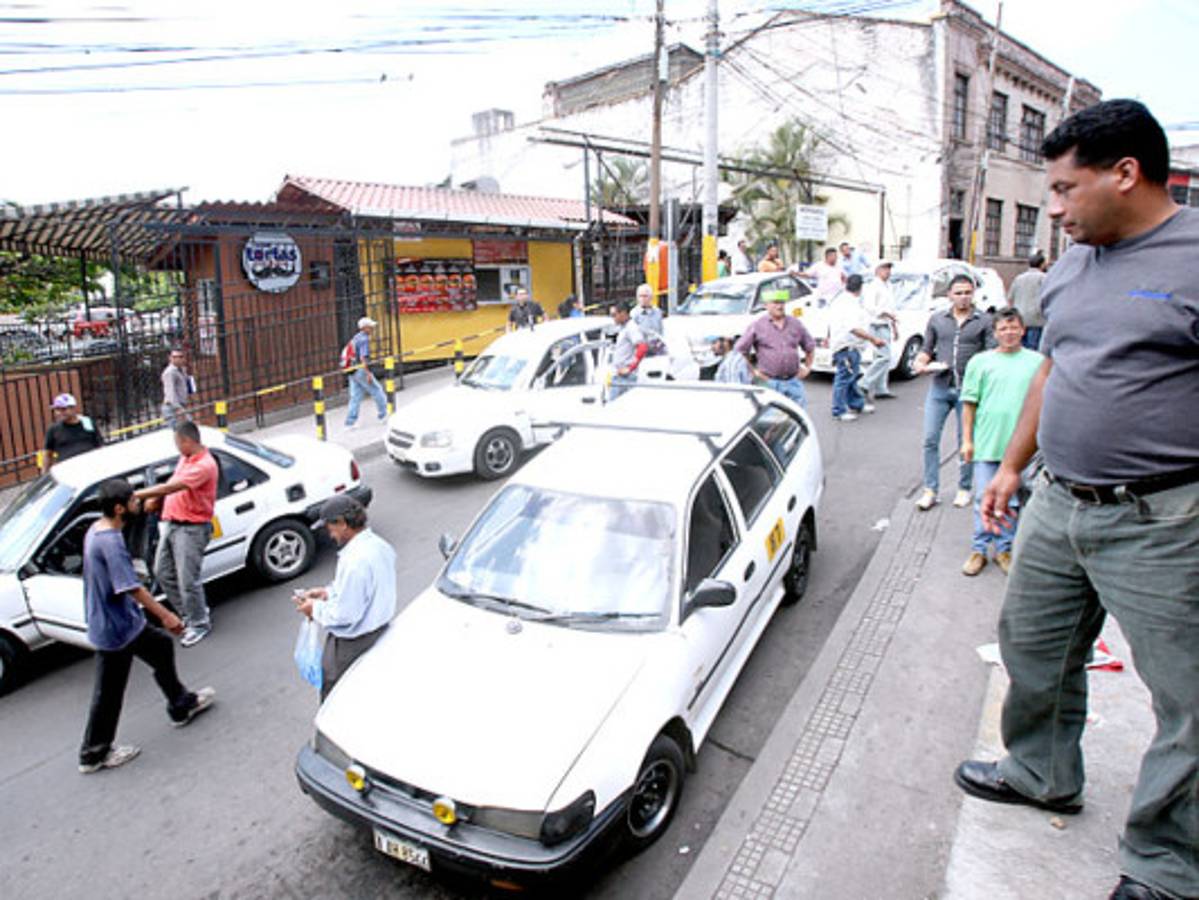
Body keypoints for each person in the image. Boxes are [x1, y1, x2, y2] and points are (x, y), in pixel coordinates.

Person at [954, 99, 1199, 900]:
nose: (1051, 211)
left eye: (1063, 190)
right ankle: (1040, 773)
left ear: (1125, 174)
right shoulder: (1069, 268)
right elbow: (1052, 373)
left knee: (1189, 703)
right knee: (1034, 649)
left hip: (1163, 520)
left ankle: (1166, 865)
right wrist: (1009, 468)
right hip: (1057, 502)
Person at [78, 479, 215, 774]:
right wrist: (166, 615)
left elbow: (131, 504)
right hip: (116, 629)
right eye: (132, 501)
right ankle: (93, 753)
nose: (137, 504)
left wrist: (147, 498)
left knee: (161, 649)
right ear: (119, 508)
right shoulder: (110, 542)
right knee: (109, 691)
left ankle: (181, 704)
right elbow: (132, 588)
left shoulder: (97, 527)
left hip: (121, 622)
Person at [957, 308, 1043, 576]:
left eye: (1014, 327)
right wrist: (967, 441)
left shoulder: (1038, 362)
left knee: (1014, 502)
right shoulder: (980, 363)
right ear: (995, 333)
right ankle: (979, 550)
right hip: (988, 445)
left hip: (1024, 449)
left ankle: (1005, 549)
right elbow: (969, 405)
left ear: (1023, 330)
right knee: (984, 497)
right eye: (1003, 329)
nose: (1009, 333)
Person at [294, 495, 396, 701]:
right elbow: (365, 591)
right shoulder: (379, 546)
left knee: (336, 695)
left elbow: (346, 614)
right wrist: (327, 593)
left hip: (353, 642)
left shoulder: (355, 562)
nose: (329, 534)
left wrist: (314, 609)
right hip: (378, 630)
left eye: (329, 527)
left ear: (342, 523)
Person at [913, 275, 994, 511]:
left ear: (974, 293)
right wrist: (921, 363)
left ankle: (964, 487)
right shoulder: (938, 319)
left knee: (965, 441)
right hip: (940, 386)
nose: (963, 297)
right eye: (958, 293)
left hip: (968, 391)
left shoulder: (984, 321)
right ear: (949, 294)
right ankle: (930, 489)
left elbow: (991, 355)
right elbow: (927, 349)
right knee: (929, 439)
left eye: (968, 292)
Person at [136, 422, 218, 648]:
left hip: (191, 529)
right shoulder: (187, 458)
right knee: (162, 573)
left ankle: (199, 623)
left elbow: (171, 488)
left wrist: (136, 495)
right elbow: (171, 482)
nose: (176, 447)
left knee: (187, 580)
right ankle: (192, 612)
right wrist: (157, 501)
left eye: (177, 442)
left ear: (187, 441)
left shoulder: (204, 466)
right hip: (173, 524)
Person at [735, 288, 816, 408]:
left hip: (793, 382)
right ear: (766, 305)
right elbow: (740, 350)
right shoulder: (758, 325)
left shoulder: (795, 324)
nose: (779, 306)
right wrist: (753, 372)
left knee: (799, 418)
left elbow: (810, 346)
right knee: (771, 419)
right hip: (770, 382)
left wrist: (807, 368)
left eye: (782, 302)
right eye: (775, 302)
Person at [828, 275, 885, 421]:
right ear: (861, 287)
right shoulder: (849, 304)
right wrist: (873, 339)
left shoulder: (842, 300)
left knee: (851, 376)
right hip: (847, 346)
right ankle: (838, 410)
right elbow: (853, 328)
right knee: (844, 378)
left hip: (847, 345)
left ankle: (856, 403)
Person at [861, 260, 899, 400]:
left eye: (889, 268)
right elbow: (870, 307)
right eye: (885, 268)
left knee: (882, 357)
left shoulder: (888, 286)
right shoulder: (873, 286)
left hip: (886, 323)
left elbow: (892, 309)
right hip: (876, 324)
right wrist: (884, 313)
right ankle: (864, 383)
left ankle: (881, 388)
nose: (888, 271)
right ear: (877, 270)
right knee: (884, 356)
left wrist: (894, 326)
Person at [343, 316, 388, 428]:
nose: (372, 329)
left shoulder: (355, 338)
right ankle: (383, 415)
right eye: (370, 327)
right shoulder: (364, 339)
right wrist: (368, 373)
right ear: (365, 328)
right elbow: (363, 357)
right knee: (377, 390)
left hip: (352, 370)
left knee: (355, 396)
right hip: (361, 369)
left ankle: (350, 422)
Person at [42, 392, 103, 472]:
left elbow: (99, 446)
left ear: (73, 409)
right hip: (68, 472)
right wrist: (45, 474)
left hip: (91, 468)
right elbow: (47, 454)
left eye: (63, 409)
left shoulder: (88, 423)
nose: (59, 413)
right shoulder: (53, 429)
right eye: (57, 410)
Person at [1007, 250, 1049, 350]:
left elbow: (1010, 298)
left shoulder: (1019, 278)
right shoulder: (1044, 278)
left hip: (1020, 318)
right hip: (1037, 320)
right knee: (1033, 348)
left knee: (1020, 348)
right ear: (1042, 264)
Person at [608, 301, 648, 400]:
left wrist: (630, 368)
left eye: (614, 315)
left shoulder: (631, 328)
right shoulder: (623, 328)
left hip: (625, 377)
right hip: (619, 375)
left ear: (623, 313)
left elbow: (642, 347)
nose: (613, 318)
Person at [160, 348, 192, 429]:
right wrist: (178, 408)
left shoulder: (182, 370)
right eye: (176, 357)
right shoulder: (169, 372)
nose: (180, 359)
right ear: (170, 358)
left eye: (181, 357)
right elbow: (170, 392)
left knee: (184, 430)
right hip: (172, 407)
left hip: (181, 405)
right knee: (184, 429)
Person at [631, 282, 666, 354]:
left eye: (645, 296)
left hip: (657, 347)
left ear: (651, 297)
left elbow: (661, 330)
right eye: (640, 296)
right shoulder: (634, 313)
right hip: (642, 348)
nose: (642, 299)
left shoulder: (657, 312)